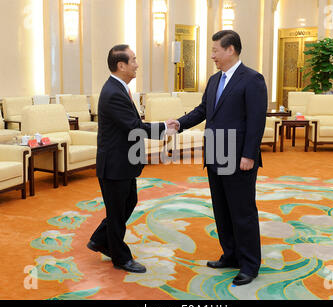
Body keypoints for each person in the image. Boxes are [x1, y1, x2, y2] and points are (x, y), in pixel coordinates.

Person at [168, 30, 267, 285]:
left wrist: (249, 155)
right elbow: (203, 110)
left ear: (230, 49)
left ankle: (249, 264)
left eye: (215, 50)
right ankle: (231, 255)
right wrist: (179, 123)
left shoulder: (252, 79)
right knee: (222, 210)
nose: (212, 55)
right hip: (214, 154)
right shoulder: (213, 80)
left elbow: (256, 122)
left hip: (238, 159)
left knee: (242, 212)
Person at [87, 44, 176, 273]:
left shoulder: (119, 89)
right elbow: (134, 127)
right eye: (134, 60)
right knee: (117, 213)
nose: (137, 64)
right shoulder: (113, 93)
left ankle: (99, 239)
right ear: (121, 65)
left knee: (128, 203)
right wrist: (164, 128)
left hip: (123, 163)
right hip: (115, 165)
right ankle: (120, 257)